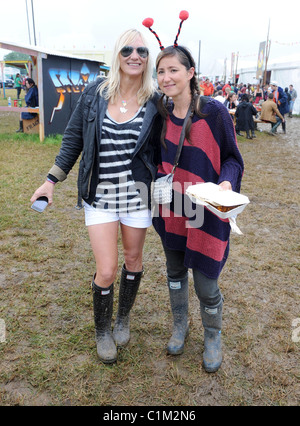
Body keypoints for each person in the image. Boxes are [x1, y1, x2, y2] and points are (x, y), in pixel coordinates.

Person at [30, 29, 161, 364]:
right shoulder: (94, 93)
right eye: (128, 50)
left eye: (142, 52)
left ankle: (123, 318)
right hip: (99, 196)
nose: (135, 56)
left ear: (149, 59)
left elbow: (179, 131)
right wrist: (51, 181)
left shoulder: (156, 101)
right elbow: (73, 139)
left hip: (138, 197)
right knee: (107, 269)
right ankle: (102, 331)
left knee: (134, 261)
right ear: (117, 54)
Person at [152, 43, 244, 372]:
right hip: (172, 209)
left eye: (173, 70)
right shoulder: (159, 112)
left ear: (190, 73)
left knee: (206, 282)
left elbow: (232, 158)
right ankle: (180, 326)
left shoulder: (213, 112)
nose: (166, 77)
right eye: (161, 71)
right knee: (175, 273)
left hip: (206, 212)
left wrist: (226, 183)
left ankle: (213, 335)